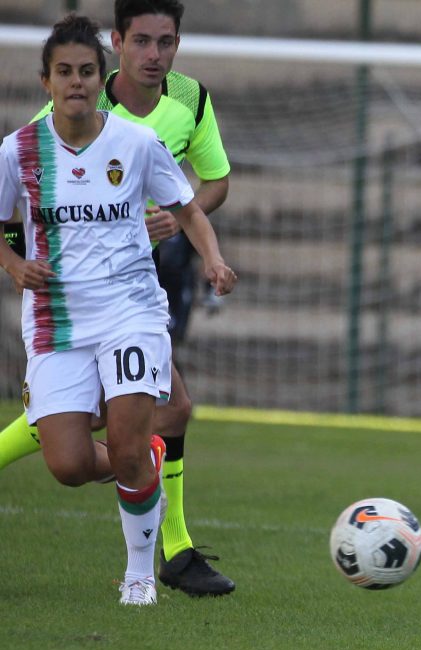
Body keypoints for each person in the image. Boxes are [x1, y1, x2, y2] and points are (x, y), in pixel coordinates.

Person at [0, 0, 235, 596]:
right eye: (65, 73)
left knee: (140, 433)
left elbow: (190, 203)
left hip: (131, 307)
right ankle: (143, 472)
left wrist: (211, 257)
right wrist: (12, 262)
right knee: (69, 464)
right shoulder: (19, 151)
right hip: (56, 317)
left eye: (84, 71)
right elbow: (3, 220)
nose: (75, 82)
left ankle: (140, 575)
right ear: (46, 81)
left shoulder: (139, 140)